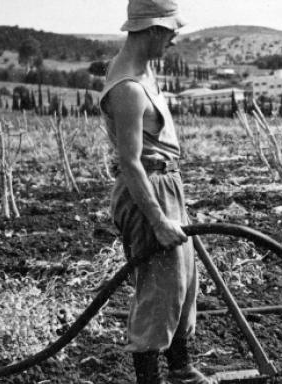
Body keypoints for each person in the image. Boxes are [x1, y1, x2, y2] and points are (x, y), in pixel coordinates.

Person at [99, 1, 215, 383]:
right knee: (158, 291)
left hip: (167, 184)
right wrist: (158, 219)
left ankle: (180, 370)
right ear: (151, 31)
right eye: (170, 32)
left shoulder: (145, 72)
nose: (174, 40)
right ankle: (149, 379)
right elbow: (130, 163)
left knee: (182, 283)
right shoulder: (128, 88)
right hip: (147, 190)